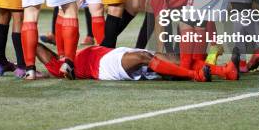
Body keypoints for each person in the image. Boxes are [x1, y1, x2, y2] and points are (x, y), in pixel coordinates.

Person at [129, 0, 239, 81]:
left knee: (185, 24)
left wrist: (159, 51)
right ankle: (216, 69)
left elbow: (160, 21)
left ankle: (185, 70)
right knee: (197, 25)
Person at [36, 43, 219, 82]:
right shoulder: (59, 67)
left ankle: (224, 70)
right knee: (143, 58)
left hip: (115, 52)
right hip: (103, 66)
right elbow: (36, 47)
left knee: (172, 58)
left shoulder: (69, 54)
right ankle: (195, 75)